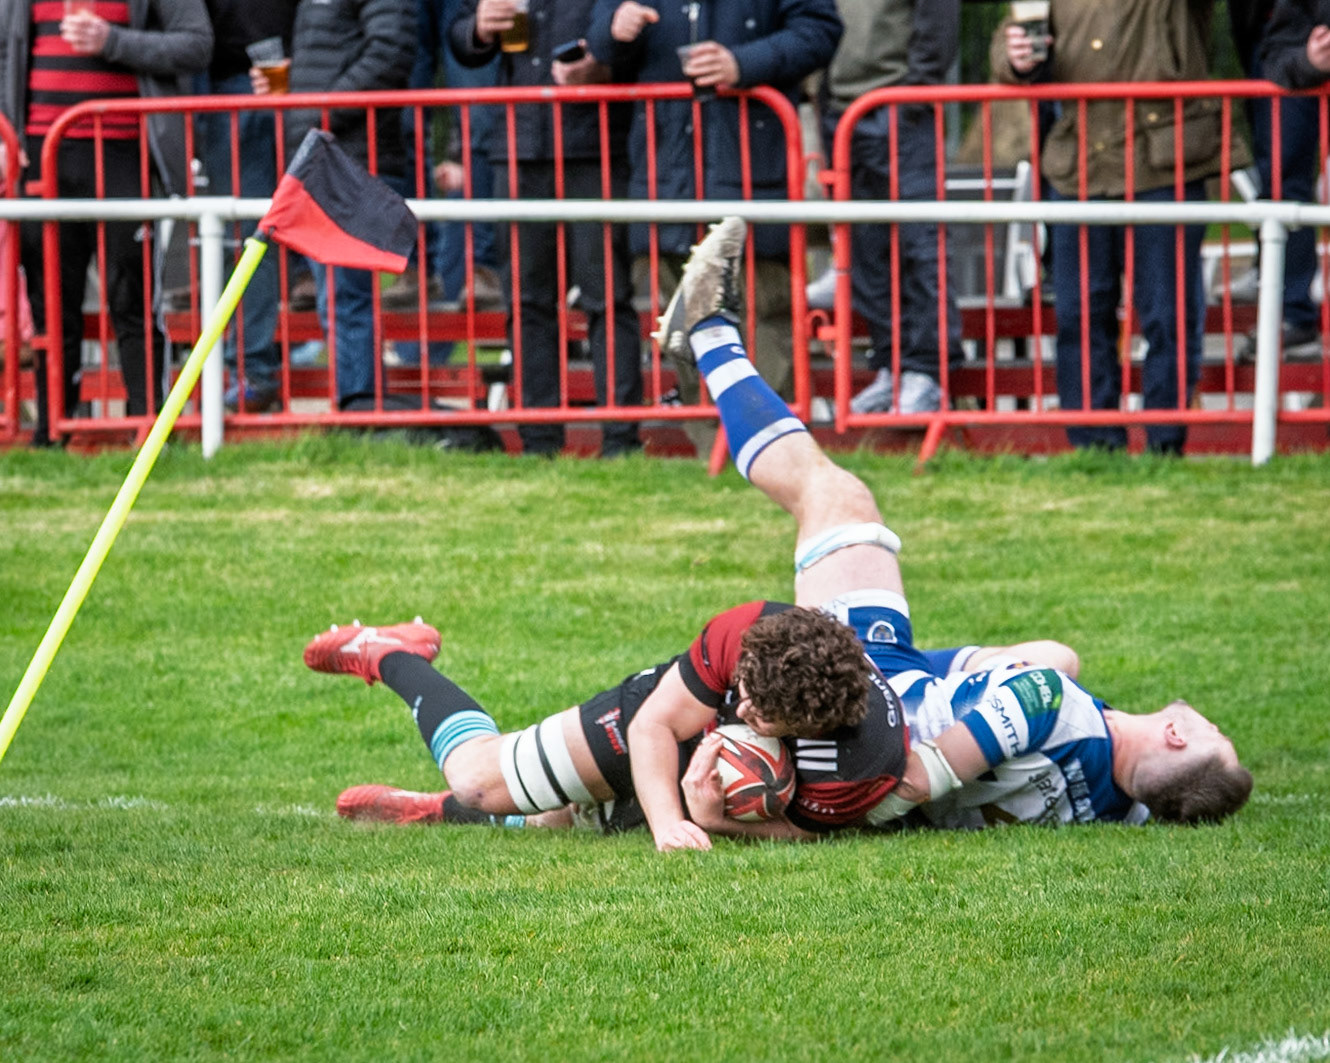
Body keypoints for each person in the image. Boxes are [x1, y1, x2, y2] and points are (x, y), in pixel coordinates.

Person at [662, 218, 1251, 832]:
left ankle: (707, 331)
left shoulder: (1046, 702)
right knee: (1053, 654)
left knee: (833, 495)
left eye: (1217, 734)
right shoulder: (1112, 806)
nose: (1212, 722)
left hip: (870, 689)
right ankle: (582, 799)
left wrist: (776, 820)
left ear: (1178, 736)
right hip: (886, 700)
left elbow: (909, 783)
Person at [583, 0, 842, 454]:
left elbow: (820, 31)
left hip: (750, 167)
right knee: (684, 321)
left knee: (763, 312)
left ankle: (775, 451)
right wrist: (613, 28)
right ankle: (712, 449)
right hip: (665, 170)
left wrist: (742, 63)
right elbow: (600, 42)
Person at [999, 2, 1245, 455]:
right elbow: (1011, 41)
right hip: (1081, 167)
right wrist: (1014, 58)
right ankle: (1094, 445)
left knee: (1166, 313)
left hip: (1162, 163)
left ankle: (1164, 442)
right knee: (1080, 311)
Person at [2, 0, 213, 446]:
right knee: (51, 300)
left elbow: (197, 45)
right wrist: (7, 132)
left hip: (126, 149)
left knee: (132, 294)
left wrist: (112, 42)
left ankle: (149, 428)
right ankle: (53, 431)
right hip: (42, 154)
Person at [448, 0, 644, 457]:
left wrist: (607, 57)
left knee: (606, 295)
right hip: (519, 146)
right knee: (527, 299)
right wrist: (477, 28)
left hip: (594, 144)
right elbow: (458, 37)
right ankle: (539, 441)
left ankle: (620, 438)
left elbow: (644, 31)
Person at [255, 0, 416, 410]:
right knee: (340, 299)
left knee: (346, 299)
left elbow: (391, 52)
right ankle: (357, 407)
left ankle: (359, 411)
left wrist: (317, 107)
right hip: (332, 155)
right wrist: (296, 83)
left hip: (355, 159)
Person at [818, 0, 963, 415]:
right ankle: (891, 365)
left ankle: (927, 370)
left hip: (900, 108)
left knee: (920, 244)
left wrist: (916, 90)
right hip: (843, 113)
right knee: (866, 250)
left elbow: (938, 22)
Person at [196, 0, 300, 413]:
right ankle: (253, 371)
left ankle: (254, 371)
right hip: (226, 84)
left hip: (287, 78)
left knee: (252, 236)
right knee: (247, 236)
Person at [1249, 0, 1330, 355]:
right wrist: (1309, 61)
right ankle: (1294, 311)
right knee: (1283, 183)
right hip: (1301, 72)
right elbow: (1277, 55)